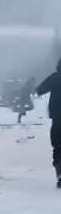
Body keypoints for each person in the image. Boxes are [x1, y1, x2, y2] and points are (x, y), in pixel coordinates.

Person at [37, 58, 61, 188]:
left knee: (57, 147)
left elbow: (40, 89)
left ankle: (60, 175)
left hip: (57, 119)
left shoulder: (54, 77)